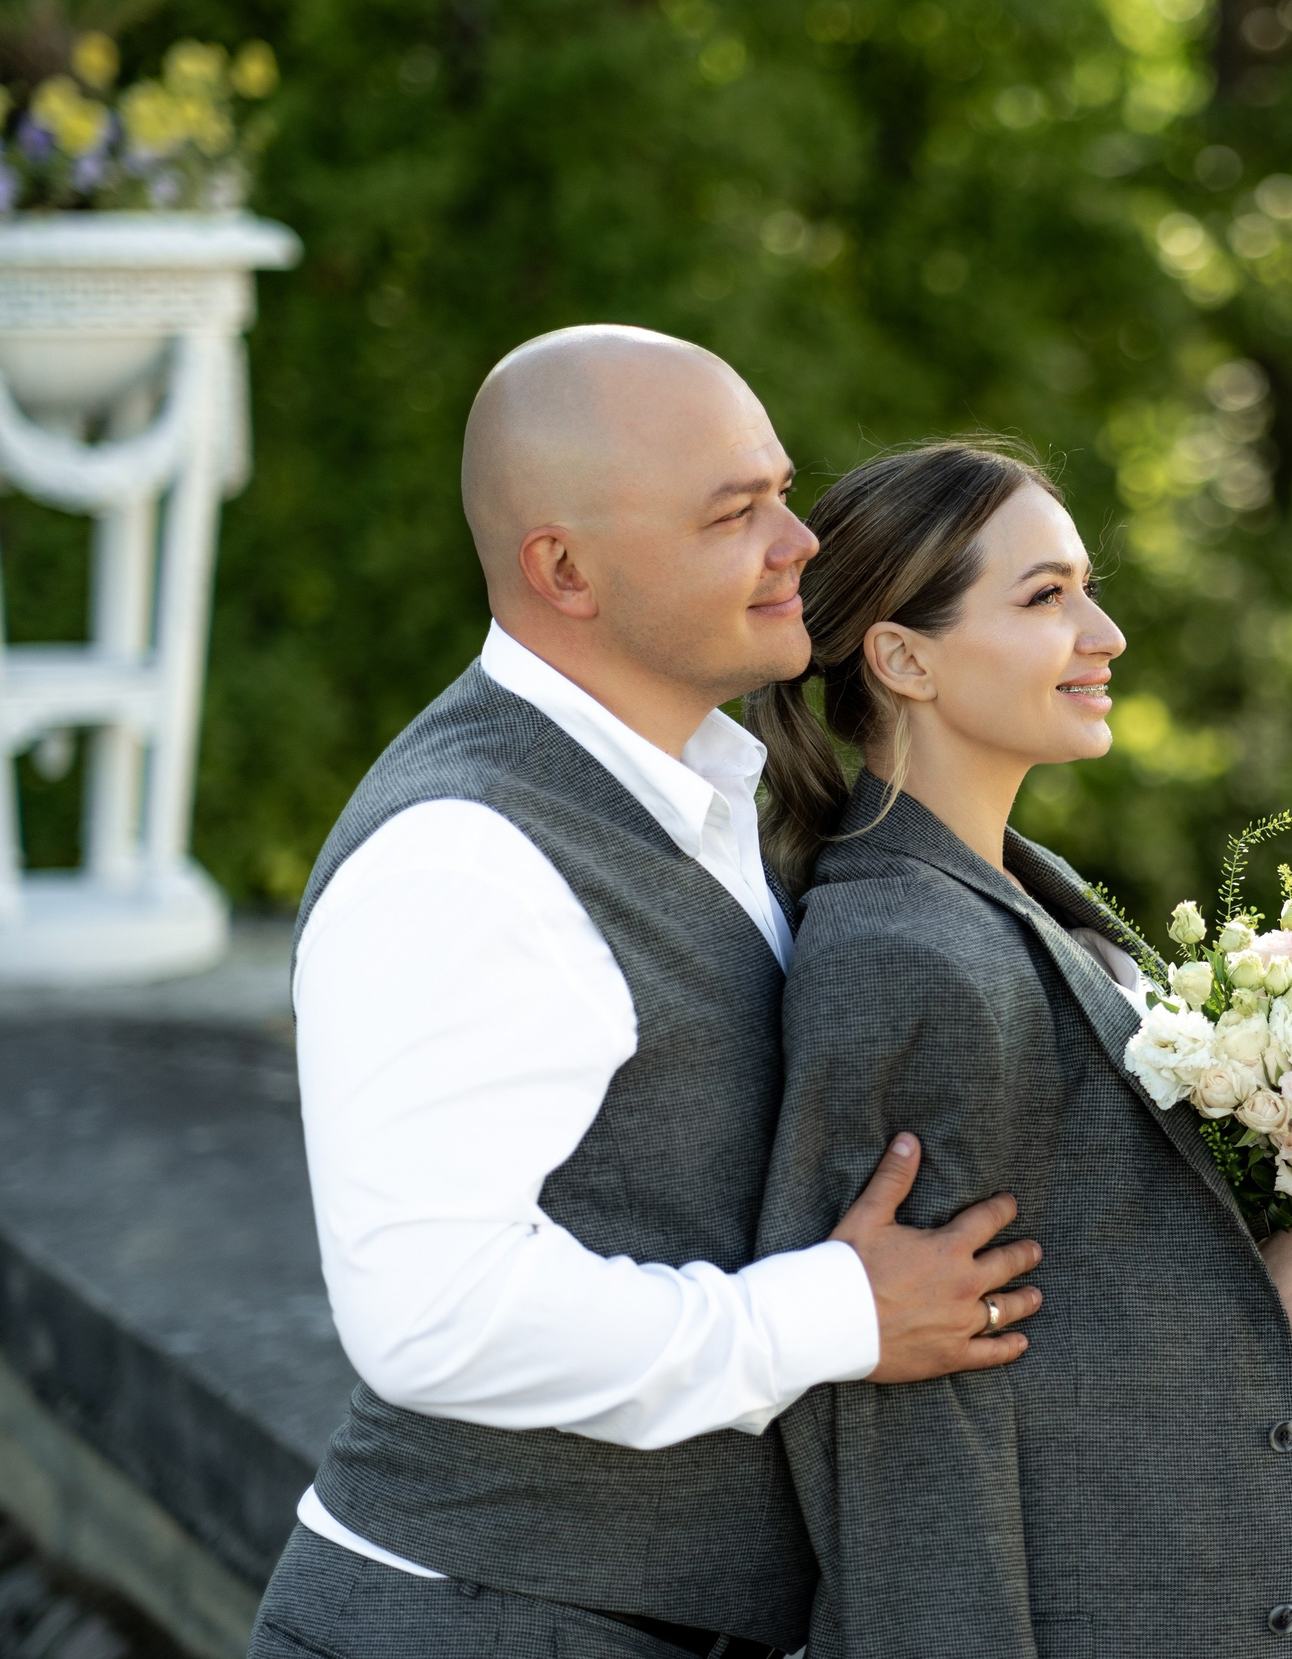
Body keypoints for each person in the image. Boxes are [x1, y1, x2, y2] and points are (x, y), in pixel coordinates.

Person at [249, 331, 1050, 1659]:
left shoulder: (725, 795)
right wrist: (832, 1311)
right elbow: (435, 1314)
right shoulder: (463, 853)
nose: (799, 540)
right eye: (736, 513)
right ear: (564, 568)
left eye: (781, 490)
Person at [752, 439, 1292, 1659]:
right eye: (1046, 596)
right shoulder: (901, 952)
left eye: (1087, 586)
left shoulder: (1026, 899)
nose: (1103, 633)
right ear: (903, 657)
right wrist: (1262, 1314)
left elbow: (1097, 1273)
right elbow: (912, 1412)